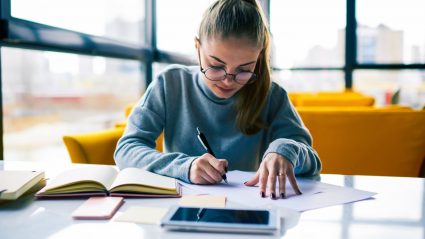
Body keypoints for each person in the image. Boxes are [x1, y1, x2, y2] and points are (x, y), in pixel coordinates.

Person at [114, 0, 321, 200]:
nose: (228, 80)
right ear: (197, 47)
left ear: (258, 59)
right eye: (216, 65)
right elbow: (127, 149)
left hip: (248, 211)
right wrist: (185, 167)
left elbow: (312, 162)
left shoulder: (272, 95)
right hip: (182, 211)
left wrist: (286, 150)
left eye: (244, 70)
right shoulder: (170, 84)